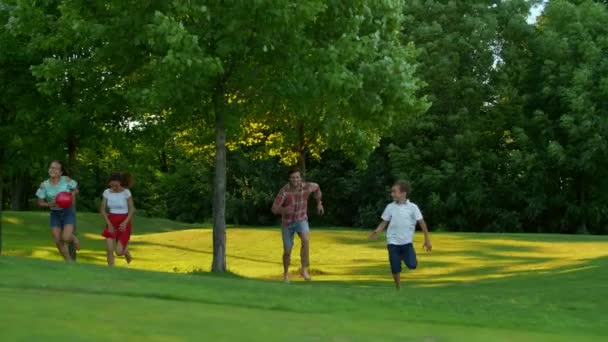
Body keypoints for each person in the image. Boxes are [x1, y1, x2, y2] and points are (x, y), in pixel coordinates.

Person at [368, 180, 432, 290]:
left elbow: (421, 223)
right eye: (392, 192)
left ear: (403, 193)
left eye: (394, 192)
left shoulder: (413, 207)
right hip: (392, 242)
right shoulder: (390, 207)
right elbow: (384, 222)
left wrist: (427, 240)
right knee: (395, 267)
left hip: (407, 243)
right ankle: (398, 288)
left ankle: (402, 256)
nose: (392, 194)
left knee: (412, 265)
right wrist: (376, 231)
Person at [272, 168, 324, 282]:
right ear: (289, 179)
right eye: (292, 177)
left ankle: (303, 269)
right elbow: (274, 209)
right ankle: (285, 274)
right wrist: (284, 210)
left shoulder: (307, 187)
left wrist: (319, 203)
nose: (295, 180)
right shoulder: (284, 191)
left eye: (297, 177)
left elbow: (317, 187)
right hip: (287, 224)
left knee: (306, 240)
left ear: (301, 178)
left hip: (301, 220)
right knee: (287, 251)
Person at [36, 160, 80, 261]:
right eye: (51, 167)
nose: (53, 170)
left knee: (65, 237)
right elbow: (40, 202)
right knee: (57, 239)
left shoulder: (66, 180)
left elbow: (76, 189)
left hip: (67, 211)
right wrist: (48, 204)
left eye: (56, 168)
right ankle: (69, 262)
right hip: (54, 213)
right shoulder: (44, 185)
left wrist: (72, 194)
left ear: (61, 172)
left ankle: (73, 238)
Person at [100, 172, 135, 266]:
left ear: (121, 184)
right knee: (109, 250)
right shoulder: (107, 192)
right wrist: (109, 224)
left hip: (124, 221)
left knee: (119, 252)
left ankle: (126, 252)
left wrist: (125, 223)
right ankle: (111, 271)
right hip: (111, 220)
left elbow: (132, 209)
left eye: (117, 185)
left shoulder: (126, 192)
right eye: (112, 185)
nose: (115, 187)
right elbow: (102, 210)